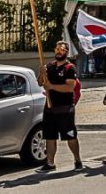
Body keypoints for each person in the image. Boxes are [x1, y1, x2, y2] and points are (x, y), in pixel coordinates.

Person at [36, 41, 83, 173]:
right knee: (50, 136)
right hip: (50, 107)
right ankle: (50, 163)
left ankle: (77, 160)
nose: (58, 51)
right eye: (57, 49)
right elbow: (40, 83)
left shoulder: (69, 68)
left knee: (70, 136)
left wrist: (51, 86)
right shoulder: (50, 66)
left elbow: (70, 87)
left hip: (65, 108)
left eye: (61, 49)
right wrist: (41, 73)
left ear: (66, 52)